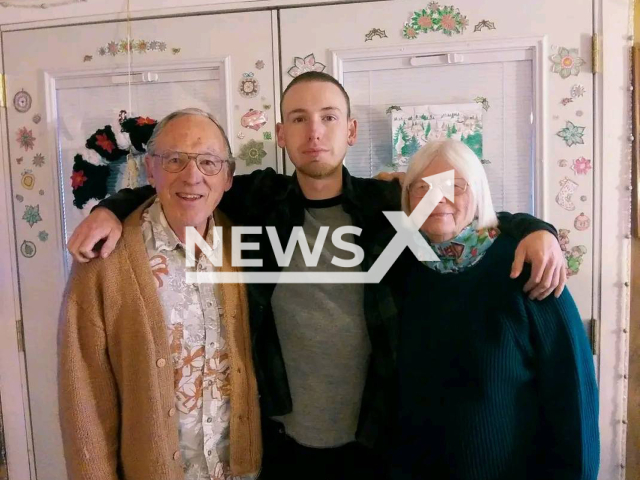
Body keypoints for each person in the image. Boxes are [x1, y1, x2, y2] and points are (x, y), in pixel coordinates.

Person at [65, 72, 566, 479]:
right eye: (299, 119)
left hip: (376, 440)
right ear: (280, 135)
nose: (314, 133)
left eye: (328, 118)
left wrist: (536, 229)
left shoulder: (388, 206)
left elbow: (465, 212)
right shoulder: (255, 198)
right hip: (278, 445)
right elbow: (184, 183)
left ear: (349, 131)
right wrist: (113, 207)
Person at [58, 109, 262, 480]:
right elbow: (83, 395)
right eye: (174, 160)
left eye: (208, 162)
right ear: (150, 170)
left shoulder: (246, 243)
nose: (193, 176)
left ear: (229, 177)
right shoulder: (104, 259)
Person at [389, 139, 599, 479]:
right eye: (422, 188)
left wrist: (537, 230)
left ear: (478, 193)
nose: (436, 198)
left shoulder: (528, 266)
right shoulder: (404, 267)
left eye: (454, 186)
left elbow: (572, 397)